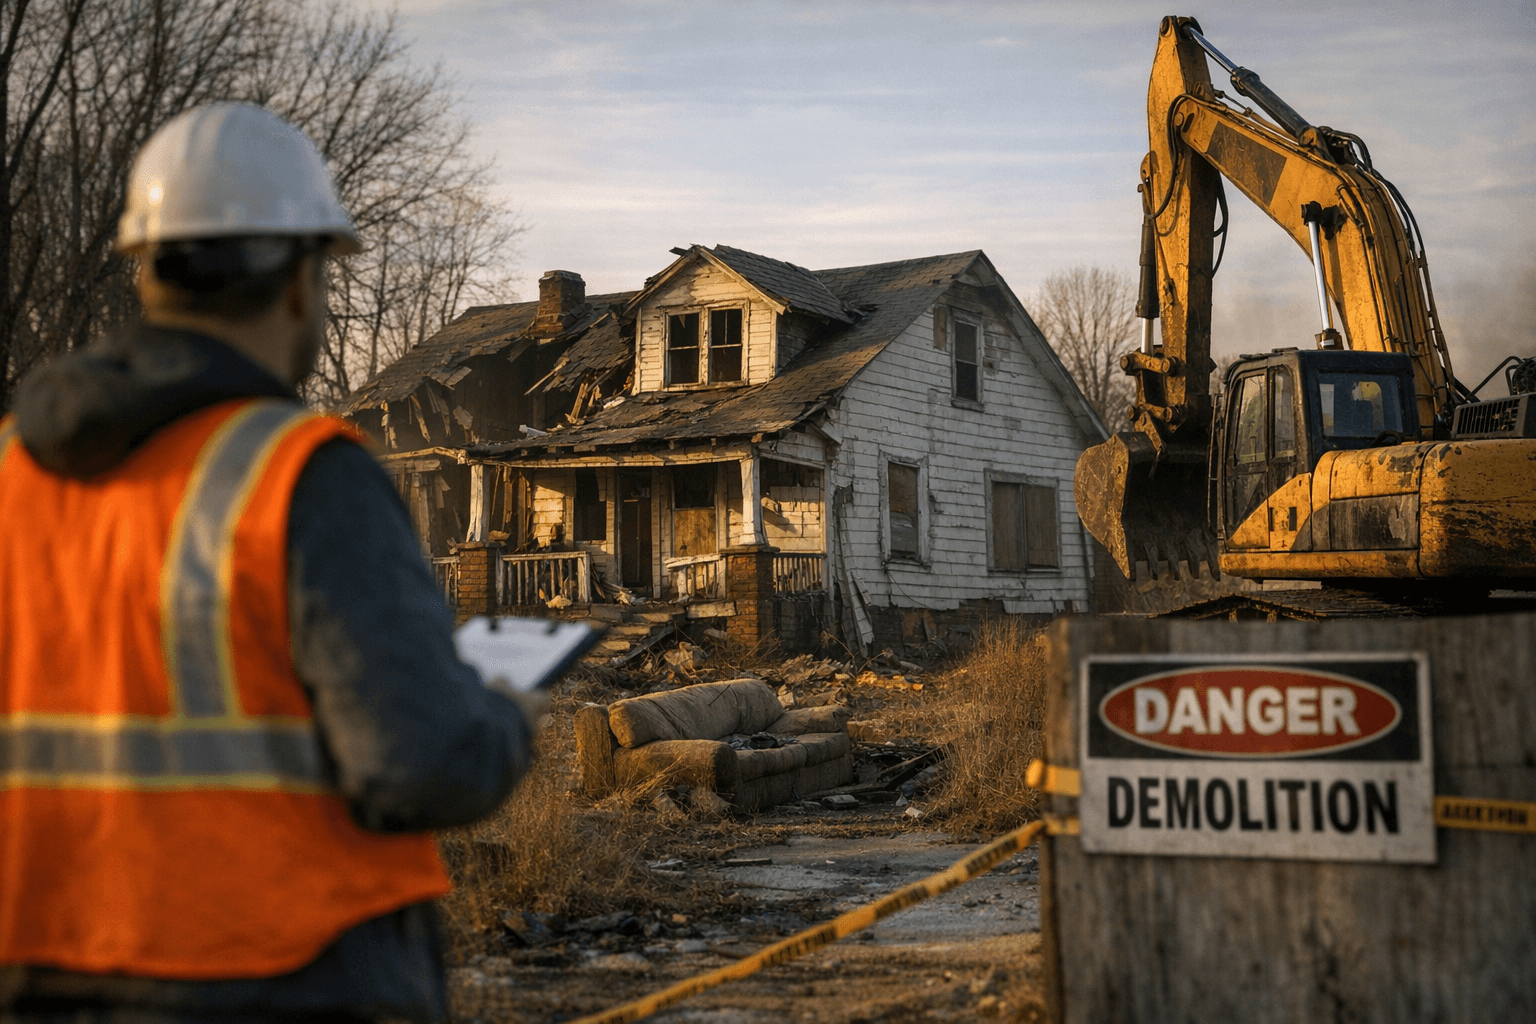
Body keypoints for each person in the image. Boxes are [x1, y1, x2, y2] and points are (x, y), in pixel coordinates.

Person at [0, 104, 536, 1023]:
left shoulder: (15, 471)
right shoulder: (300, 476)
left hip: (42, 967)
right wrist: (505, 715)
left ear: (145, 270)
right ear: (298, 281)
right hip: (281, 969)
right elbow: (422, 765)